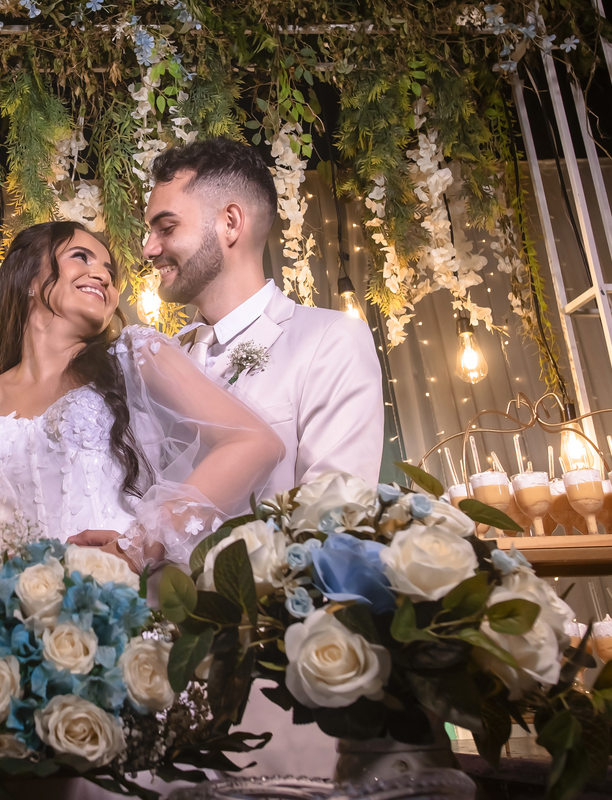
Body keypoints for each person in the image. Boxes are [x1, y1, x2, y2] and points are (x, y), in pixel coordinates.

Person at [143, 137, 385, 778]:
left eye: (165, 227)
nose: (148, 249)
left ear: (230, 223)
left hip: (270, 691)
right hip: (156, 690)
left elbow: (333, 527)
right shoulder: (158, 363)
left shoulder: (328, 340)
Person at [0, 220, 283, 568]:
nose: (104, 277)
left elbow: (255, 443)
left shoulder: (135, 355)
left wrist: (136, 546)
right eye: (82, 257)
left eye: (109, 271)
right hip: (21, 613)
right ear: (29, 279)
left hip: (120, 598)